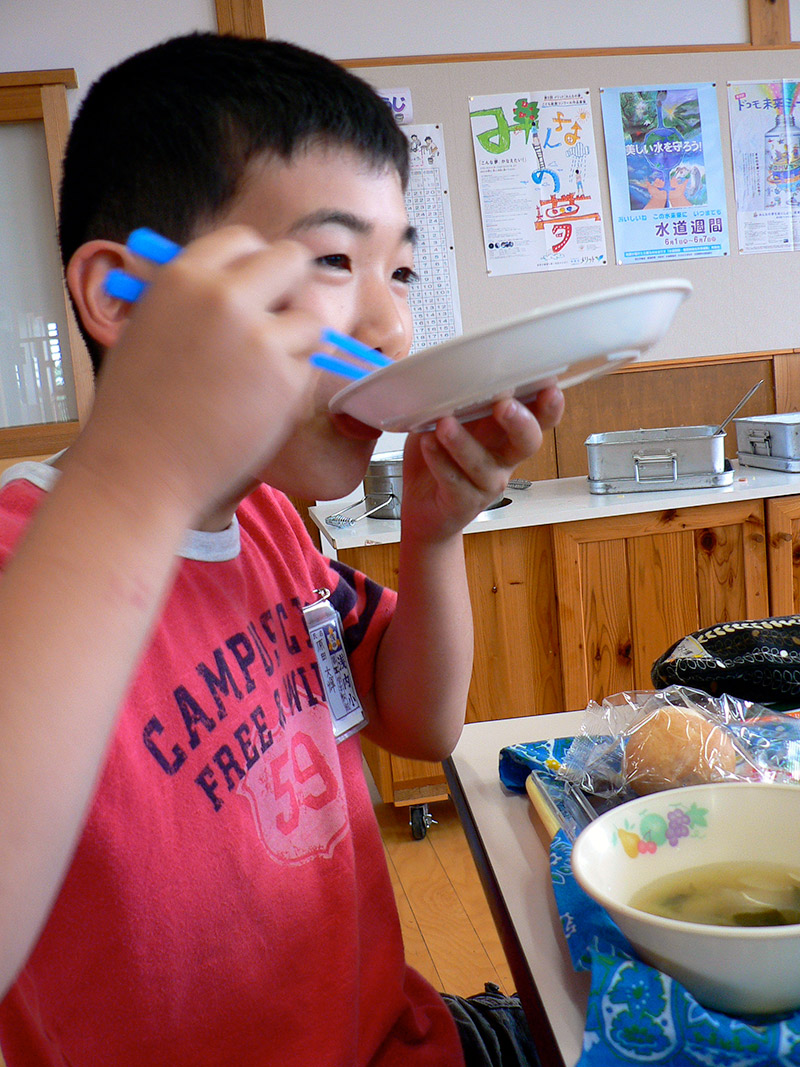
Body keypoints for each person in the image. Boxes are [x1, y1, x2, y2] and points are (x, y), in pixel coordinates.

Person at [0, 32, 564, 1067]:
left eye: (399, 268)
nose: (394, 323)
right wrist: (145, 467)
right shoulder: (25, 566)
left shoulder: (264, 520)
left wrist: (432, 536)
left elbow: (418, 722)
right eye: (332, 262)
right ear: (124, 297)